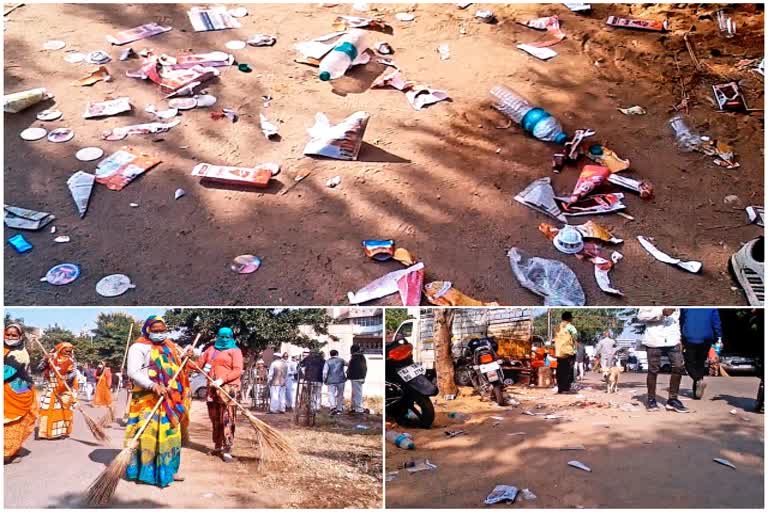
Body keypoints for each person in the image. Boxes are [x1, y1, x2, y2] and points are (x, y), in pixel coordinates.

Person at [125, 315, 193, 487]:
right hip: (148, 399)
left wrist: (186, 357)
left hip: (170, 399)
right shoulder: (138, 347)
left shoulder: (170, 346)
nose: (160, 334)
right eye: (156, 331)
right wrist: (153, 385)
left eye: (163, 331)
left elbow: (178, 367)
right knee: (147, 434)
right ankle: (145, 473)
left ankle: (168, 471)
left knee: (170, 434)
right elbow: (133, 372)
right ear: (148, 330)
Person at [196, 327, 243, 463]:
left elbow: (238, 370)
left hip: (228, 390)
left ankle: (227, 449)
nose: (224, 339)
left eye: (227, 337)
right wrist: (186, 356)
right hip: (212, 390)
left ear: (231, 337)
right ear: (217, 336)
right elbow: (198, 365)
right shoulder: (211, 350)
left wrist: (222, 380)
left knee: (227, 419)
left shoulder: (235, 351)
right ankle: (217, 446)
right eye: (221, 336)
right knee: (215, 419)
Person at [637, 308, 687, 413]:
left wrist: (679, 339)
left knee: (679, 366)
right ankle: (651, 399)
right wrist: (661, 313)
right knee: (653, 370)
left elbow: (676, 321)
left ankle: (673, 400)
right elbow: (641, 316)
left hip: (673, 340)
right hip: (654, 340)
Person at [4, 323, 38, 463]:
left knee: (13, 424)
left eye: (14, 335)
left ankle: (8, 452)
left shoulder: (20, 354)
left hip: (16, 393)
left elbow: (5, 373)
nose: (10, 337)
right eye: (8, 334)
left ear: (20, 337)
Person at [38, 342, 79, 440]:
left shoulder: (71, 361)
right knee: (46, 409)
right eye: (66, 350)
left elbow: (73, 373)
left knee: (62, 410)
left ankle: (59, 432)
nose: (68, 352)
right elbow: (39, 368)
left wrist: (66, 377)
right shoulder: (51, 358)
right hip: (50, 388)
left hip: (64, 390)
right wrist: (45, 360)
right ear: (60, 349)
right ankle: (45, 432)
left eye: (70, 350)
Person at [680, 308, 722, 400]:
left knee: (689, 363)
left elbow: (682, 320)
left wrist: (681, 335)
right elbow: (716, 321)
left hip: (690, 337)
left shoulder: (686, 307)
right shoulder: (712, 308)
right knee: (700, 364)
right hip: (706, 337)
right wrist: (718, 335)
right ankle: (696, 394)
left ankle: (698, 380)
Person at [553, 312, 578, 394]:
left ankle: (560, 388)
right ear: (569, 319)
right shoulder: (571, 327)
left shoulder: (557, 327)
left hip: (559, 352)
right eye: (571, 318)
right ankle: (566, 388)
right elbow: (575, 337)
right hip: (568, 352)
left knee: (560, 370)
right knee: (568, 370)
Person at [323, 349, 347, 414]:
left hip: (330, 380)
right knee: (340, 394)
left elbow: (325, 372)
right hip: (341, 379)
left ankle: (333, 407)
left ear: (330, 354)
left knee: (331, 394)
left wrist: (324, 379)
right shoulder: (341, 360)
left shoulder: (327, 361)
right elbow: (348, 365)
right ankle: (339, 408)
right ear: (337, 354)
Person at [347, 345, 368, 414]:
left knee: (356, 393)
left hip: (355, 378)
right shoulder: (360, 357)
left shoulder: (355, 357)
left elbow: (351, 368)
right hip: (359, 377)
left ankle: (357, 408)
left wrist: (348, 375)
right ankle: (356, 408)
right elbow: (364, 368)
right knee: (356, 393)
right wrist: (364, 377)